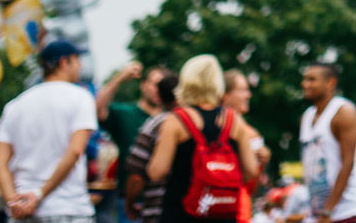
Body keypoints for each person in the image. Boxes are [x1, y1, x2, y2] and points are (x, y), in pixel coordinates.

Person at [0, 40, 99, 223]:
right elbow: (75, 151)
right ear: (64, 62)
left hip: (22, 209)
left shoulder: (16, 105)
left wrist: (13, 202)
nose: (80, 66)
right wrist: (39, 195)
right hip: (68, 207)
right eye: (77, 60)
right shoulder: (81, 98)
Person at [146, 56, 259, 223]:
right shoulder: (233, 119)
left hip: (182, 213)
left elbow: (157, 172)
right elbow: (251, 171)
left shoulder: (177, 120)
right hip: (222, 213)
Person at [297, 64, 356, 223]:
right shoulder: (307, 116)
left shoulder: (343, 112)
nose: (305, 84)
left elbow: (348, 163)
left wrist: (328, 210)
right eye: (304, 79)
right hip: (321, 212)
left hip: (347, 210)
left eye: (312, 80)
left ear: (331, 83)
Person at [98, 63, 168, 223]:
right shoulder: (125, 113)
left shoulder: (172, 119)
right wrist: (120, 78)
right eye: (154, 84)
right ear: (143, 85)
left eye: (163, 85)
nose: (158, 89)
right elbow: (98, 111)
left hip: (163, 201)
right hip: (131, 202)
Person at [121, 71, 179, 223]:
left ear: (159, 96)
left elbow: (136, 175)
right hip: (192, 209)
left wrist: (130, 203)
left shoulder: (154, 125)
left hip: (157, 210)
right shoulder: (195, 124)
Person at [222, 71, 271, 223]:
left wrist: (261, 163)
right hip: (221, 206)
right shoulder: (214, 129)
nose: (248, 95)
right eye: (242, 90)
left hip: (240, 207)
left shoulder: (251, 133)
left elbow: (253, 187)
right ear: (225, 94)